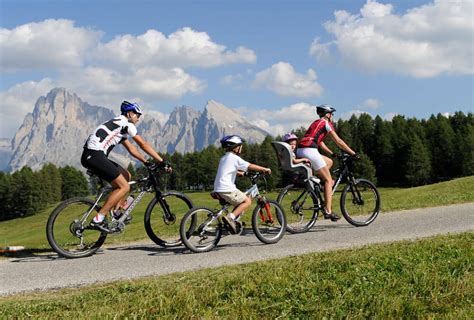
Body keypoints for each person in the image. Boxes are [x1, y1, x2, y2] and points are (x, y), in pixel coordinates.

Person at [81, 101, 168, 231]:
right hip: (94, 155)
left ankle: (116, 213)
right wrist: (162, 161)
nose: (138, 118)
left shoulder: (118, 124)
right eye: (137, 115)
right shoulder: (127, 124)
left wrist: (146, 162)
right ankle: (98, 219)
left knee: (127, 175)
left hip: (93, 155)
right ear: (129, 114)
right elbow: (143, 144)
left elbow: (132, 149)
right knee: (124, 186)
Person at [297, 104, 357, 221]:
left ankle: (318, 183)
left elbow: (319, 142)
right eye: (332, 114)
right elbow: (338, 141)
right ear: (328, 115)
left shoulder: (316, 123)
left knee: (329, 162)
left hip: (301, 150)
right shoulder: (326, 123)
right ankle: (328, 211)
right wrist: (353, 153)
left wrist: (331, 153)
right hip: (310, 151)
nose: (333, 117)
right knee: (329, 180)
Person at [213, 135, 271, 234]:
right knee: (247, 201)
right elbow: (250, 166)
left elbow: (228, 170)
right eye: (240, 146)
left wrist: (241, 173)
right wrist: (264, 169)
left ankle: (233, 220)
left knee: (241, 200)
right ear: (236, 147)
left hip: (217, 189)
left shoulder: (224, 158)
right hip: (227, 188)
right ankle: (230, 218)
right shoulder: (235, 158)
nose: (242, 148)